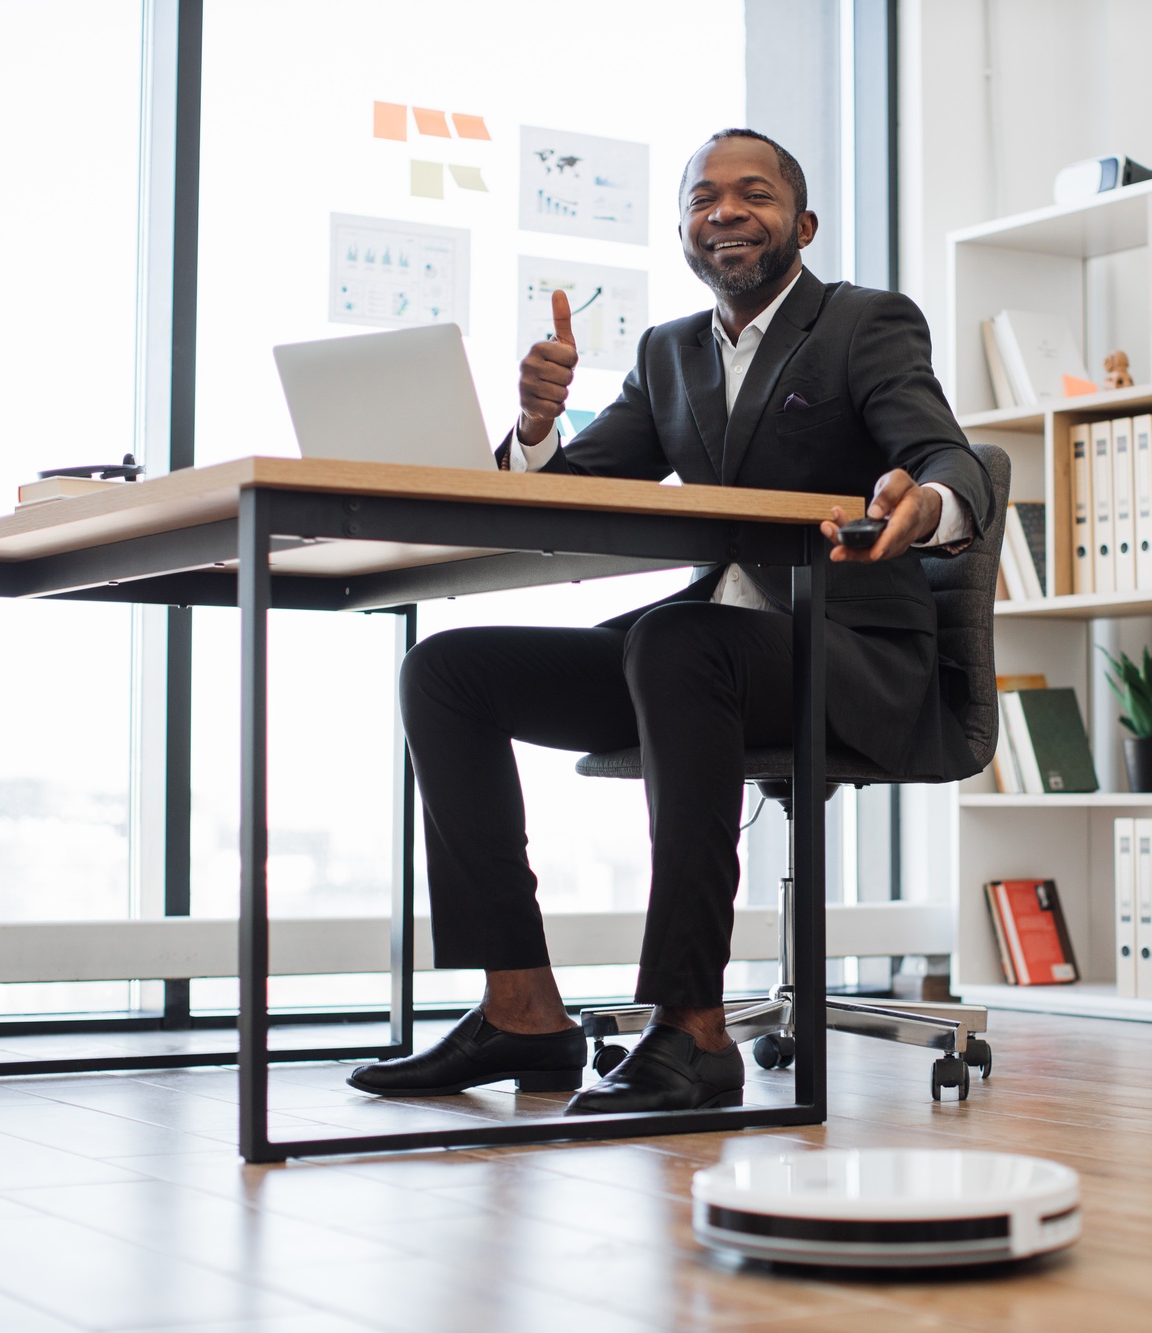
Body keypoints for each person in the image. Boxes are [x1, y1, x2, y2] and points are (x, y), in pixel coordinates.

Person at [348, 128, 992, 1114]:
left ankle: (693, 1030)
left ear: (803, 225)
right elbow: (570, 499)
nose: (724, 211)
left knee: (677, 643)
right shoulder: (668, 353)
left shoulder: (864, 323)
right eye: (701, 199)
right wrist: (535, 429)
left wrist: (928, 505)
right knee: (446, 671)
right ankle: (520, 1009)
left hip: (848, 655)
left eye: (753, 194)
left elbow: (945, 457)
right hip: (694, 657)